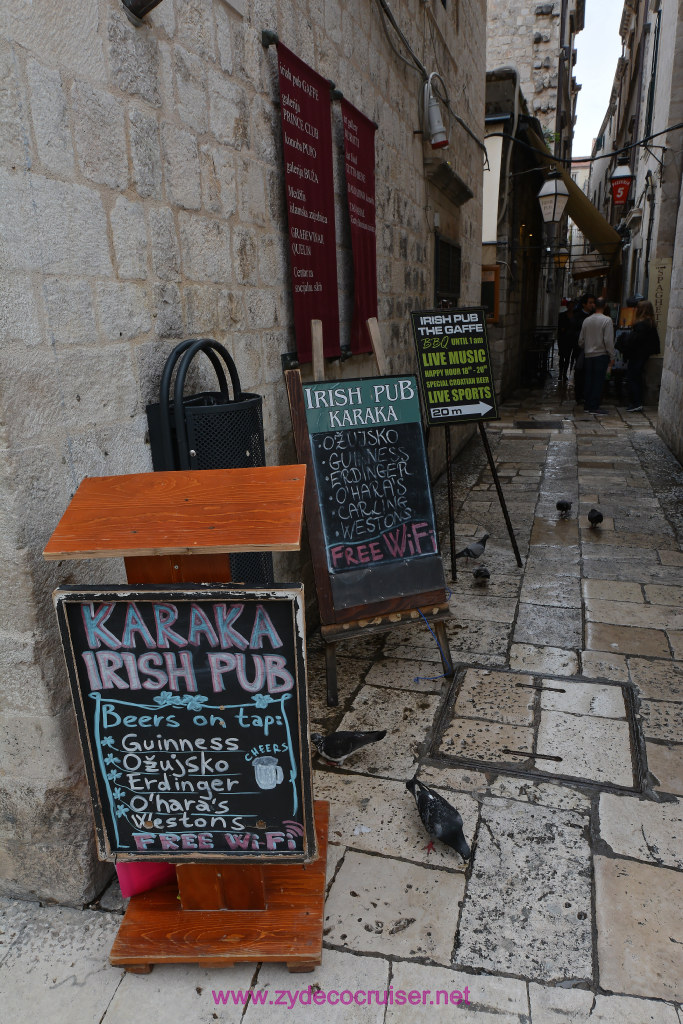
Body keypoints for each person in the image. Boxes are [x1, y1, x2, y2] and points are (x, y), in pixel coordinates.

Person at [578, 297, 615, 414]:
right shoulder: (607, 320)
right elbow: (608, 340)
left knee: (589, 380)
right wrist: (612, 355)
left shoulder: (587, 320)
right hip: (601, 354)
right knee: (598, 381)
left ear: (595, 306)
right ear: (605, 306)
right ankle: (594, 406)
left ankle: (588, 404)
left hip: (588, 355)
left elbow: (581, 341)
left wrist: (588, 346)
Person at [625, 300, 659, 412]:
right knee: (637, 377)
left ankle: (636, 402)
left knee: (633, 377)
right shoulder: (650, 323)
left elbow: (635, 341)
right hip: (643, 354)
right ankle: (637, 402)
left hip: (637, 355)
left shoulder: (641, 325)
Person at [572, 293, 596, 403]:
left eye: (593, 302)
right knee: (580, 372)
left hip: (592, 349)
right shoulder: (577, 316)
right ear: (584, 304)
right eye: (590, 303)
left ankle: (587, 394)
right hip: (580, 349)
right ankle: (579, 395)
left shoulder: (594, 316)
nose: (592, 305)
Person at [557, 299, 578, 383]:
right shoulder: (562, 315)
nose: (571, 307)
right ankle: (560, 373)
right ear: (567, 306)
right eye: (570, 305)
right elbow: (560, 328)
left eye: (573, 306)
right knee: (562, 357)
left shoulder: (575, 316)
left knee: (568, 358)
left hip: (571, 340)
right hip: (563, 340)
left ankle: (564, 374)